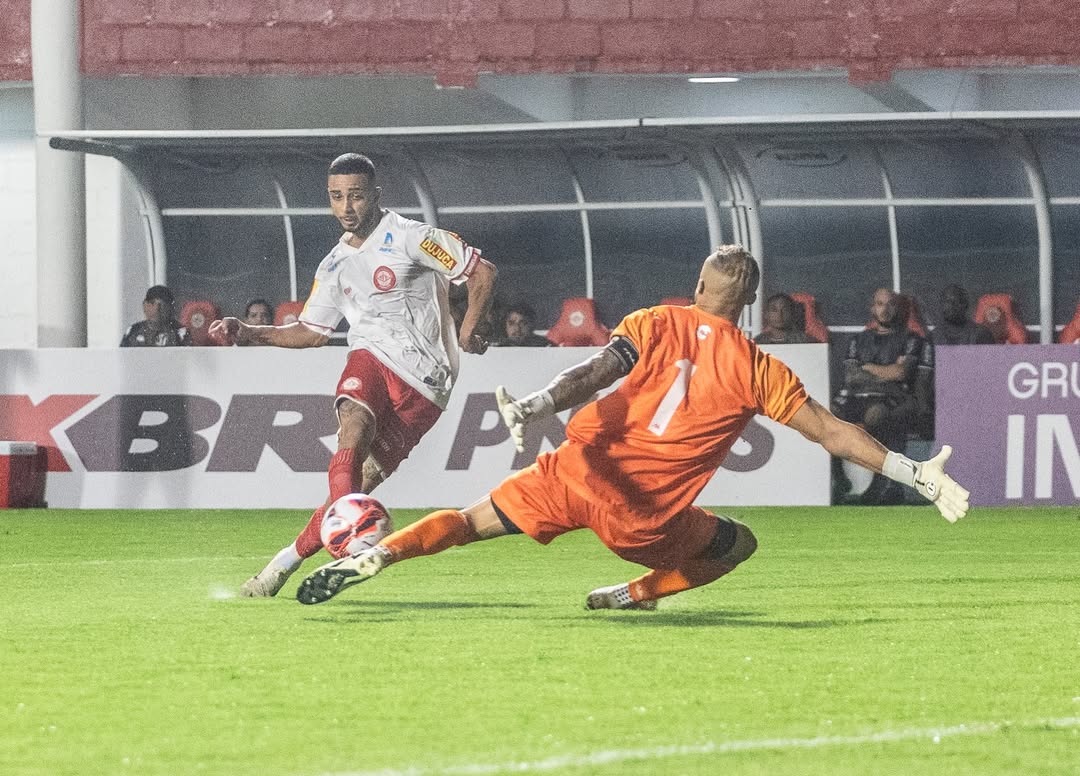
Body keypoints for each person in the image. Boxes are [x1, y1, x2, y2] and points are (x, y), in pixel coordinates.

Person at [294, 246, 969, 609]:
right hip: (643, 519)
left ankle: (380, 554)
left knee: (469, 521)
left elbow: (595, 372)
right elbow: (833, 433)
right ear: (749, 302)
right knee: (738, 544)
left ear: (698, 288)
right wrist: (916, 473)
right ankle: (635, 594)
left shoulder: (655, 321)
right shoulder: (759, 367)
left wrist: (537, 405)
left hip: (577, 469)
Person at [209, 152, 497, 597]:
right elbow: (310, 331)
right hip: (371, 358)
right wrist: (248, 332)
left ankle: (287, 561)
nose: (346, 207)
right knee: (353, 427)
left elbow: (481, 272)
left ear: (376, 196)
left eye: (356, 196)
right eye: (336, 197)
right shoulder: (333, 265)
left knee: (358, 484)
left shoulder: (415, 238)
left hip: (427, 382)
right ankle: (320, 556)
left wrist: (468, 327)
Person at [832, 288, 932, 503]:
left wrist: (867, 368)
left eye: (890, 304)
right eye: (880, 304)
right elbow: (851, 376)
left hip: (892, 397)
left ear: (899, 309)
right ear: (872, 308)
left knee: (876, 415)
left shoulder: (911, 339)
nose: (885, 310)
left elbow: (901, 373)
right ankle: (837, 478)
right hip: (856, 396)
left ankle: (883, 483)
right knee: (827, 415)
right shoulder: (858, 339)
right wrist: (886, 372)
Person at [120, 285, 192, 347]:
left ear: (170, 308)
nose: (157, 309)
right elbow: (123, 356)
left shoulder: (180, 332)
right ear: (144, 305)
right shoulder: (133, 331)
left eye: (162, 305)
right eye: (152, 303)